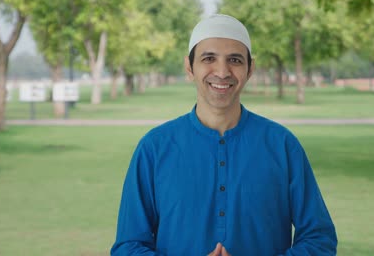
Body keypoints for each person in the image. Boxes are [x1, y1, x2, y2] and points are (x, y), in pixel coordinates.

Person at [111, 14, 337, 255]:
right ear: (189, 68)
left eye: (235, 60)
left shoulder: (282, 145)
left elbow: (319, 239)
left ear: (250, 69)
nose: (222, 71)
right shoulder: (154, 148)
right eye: (209, 58)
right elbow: (128, 246)